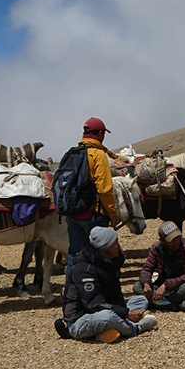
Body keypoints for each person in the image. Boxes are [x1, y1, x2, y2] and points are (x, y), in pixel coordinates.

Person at [56, 226, 157, 343]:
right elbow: (94, 304)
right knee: (107, 317)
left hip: (105, 308)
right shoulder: (84, 269)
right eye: (115, 243)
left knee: (141, 301)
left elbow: (116, 292)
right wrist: (126, 314)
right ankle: (135, 328)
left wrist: (123, 311)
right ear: (104, 247)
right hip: (81, 319)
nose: (118, 245)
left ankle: (108, 330)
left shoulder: (109, 262)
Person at [65, 117, 121, 276]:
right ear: (101, 133)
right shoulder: (98, 154)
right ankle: (101, 293)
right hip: (93, 215)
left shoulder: (72, 153)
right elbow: (104, 189)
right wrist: (112, 213)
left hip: (72, 213)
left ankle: (71, 295)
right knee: (102, 255)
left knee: (74, 255)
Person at [135, 221, 185, 311]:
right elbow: (147, 269)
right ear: (163, 241)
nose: (176, 242)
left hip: (180, 287)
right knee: (137, 286)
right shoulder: (157, 248)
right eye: (171, 240)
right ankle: (175, 306)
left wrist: (166, 285)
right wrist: (146, 284)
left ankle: (155, 302)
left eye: (177, 238)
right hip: (164, 288)